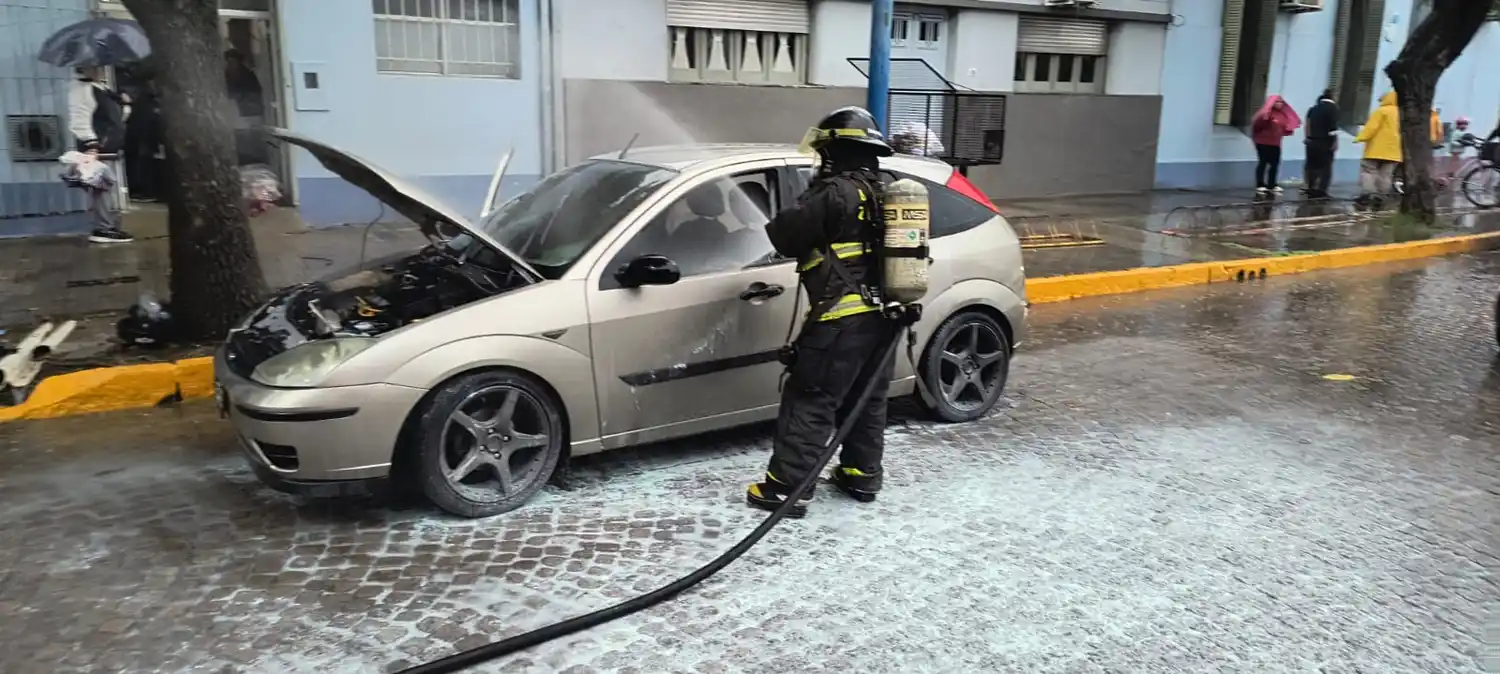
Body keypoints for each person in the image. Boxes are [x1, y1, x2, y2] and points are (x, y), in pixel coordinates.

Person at [746, 106, 900, 517]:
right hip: (886, 318)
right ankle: (860, 475)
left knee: (810, 399)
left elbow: (785, 235)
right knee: (867, 399)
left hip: (840, 320)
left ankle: (786, 490)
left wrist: (806, 194)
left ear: (834, 152)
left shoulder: (833, 193)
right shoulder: (889, 190)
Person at [66, 66, 134, 243]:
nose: (101, 70)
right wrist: (91, 144)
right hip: (96, 146)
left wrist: (125, 105)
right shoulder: (82, 89)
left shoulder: (102, 90)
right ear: (85, 69)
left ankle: (107, 226)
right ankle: (103, 228)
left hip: (107, 145)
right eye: (96, 67)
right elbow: (79, 119)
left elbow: (115, 119)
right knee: (100, 187)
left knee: (106, 186)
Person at [1354, 91, 1402, 208]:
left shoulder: (1381, 111)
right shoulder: (1402, 114)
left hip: (1375, 150)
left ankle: (1367, 195)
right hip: (1394, 152)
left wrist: (1359, 138)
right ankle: (1381, 196)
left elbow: (1371, 128)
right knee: (1386, 175)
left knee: (1368, 171)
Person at [1251, 95, 1301, 194]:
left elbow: (1284, 126)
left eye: (1281, 102)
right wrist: (1264, 122)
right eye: (1277, 102)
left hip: (1276, 143)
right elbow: (1256, 126)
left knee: (1275, 164)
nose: (1280, 104)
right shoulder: (1265, 113)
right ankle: (1260, 184)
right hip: (1263, 142)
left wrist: (1288, 129)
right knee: (1263, 162)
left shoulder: (1282, 114)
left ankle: (1272, 184)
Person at [1303, 90, 1340, 199]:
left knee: (1311, 166)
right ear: (1332, 97)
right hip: (1325, 142)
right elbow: (1333, 127)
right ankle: (1321, 190)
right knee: (1325, 167)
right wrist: (1335, 141)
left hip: (1311, 141)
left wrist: (1307, 138)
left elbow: (1307, 125)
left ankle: (1311, 187)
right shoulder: (1333, 109)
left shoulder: (1313, 109)